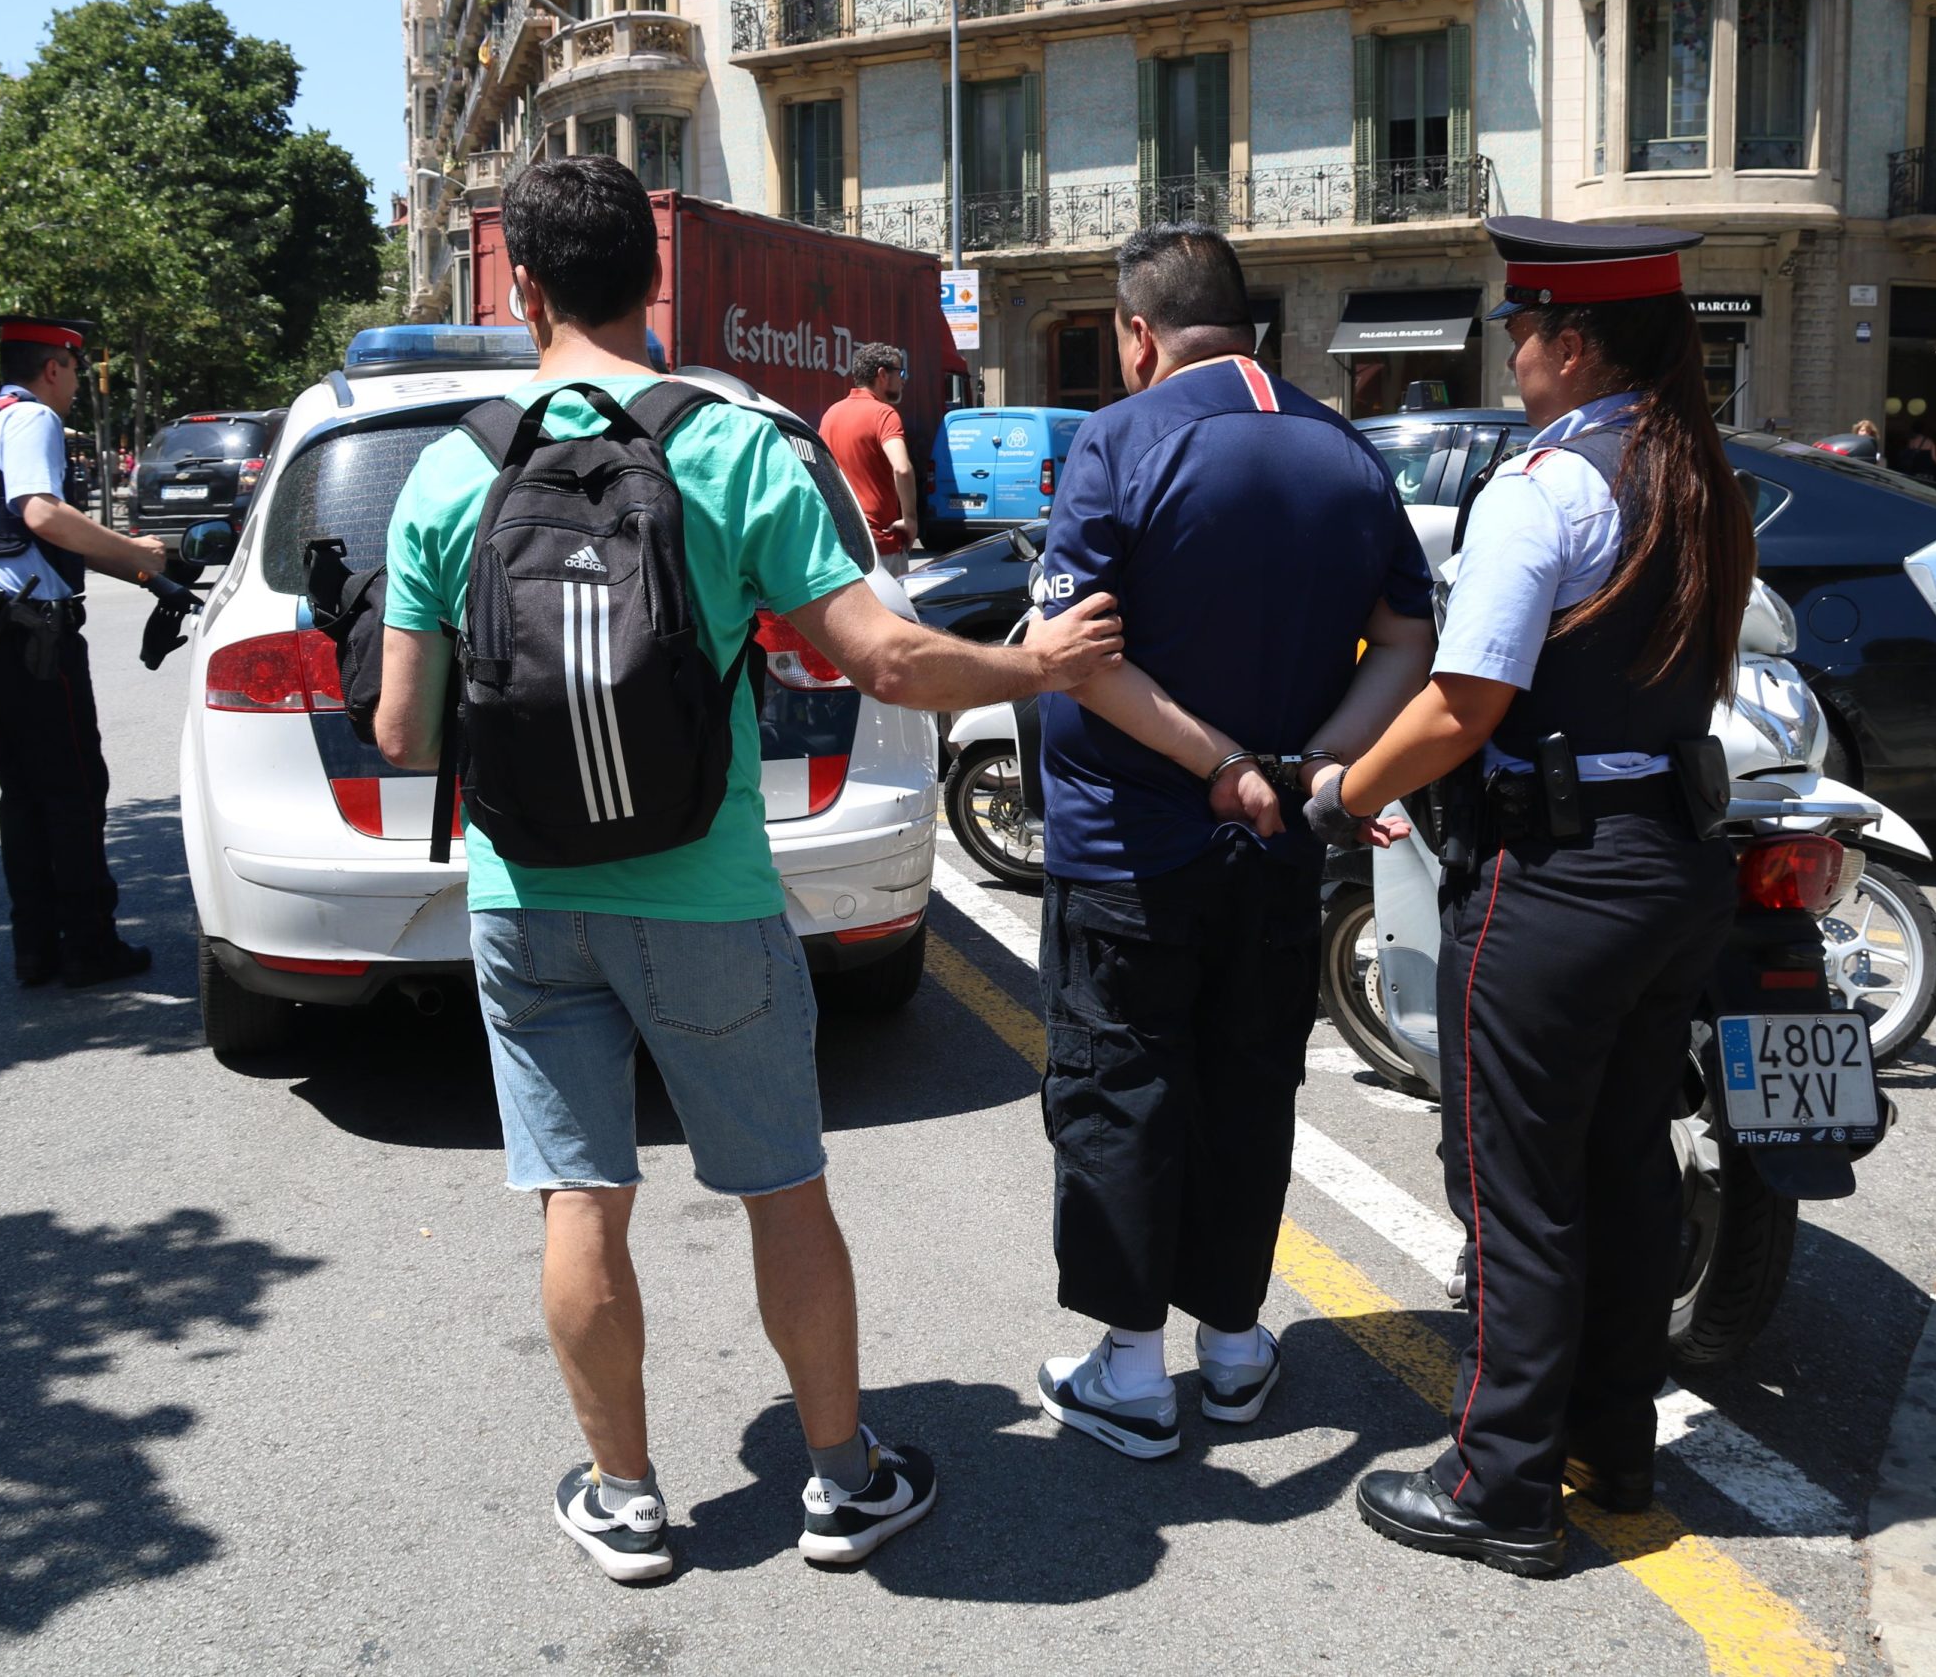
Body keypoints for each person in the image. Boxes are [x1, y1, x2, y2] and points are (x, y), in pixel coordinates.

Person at [372, 156, 1125, 1584]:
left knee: (579, 1194)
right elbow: (886, 656)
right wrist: (1040, 661)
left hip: (526, 899)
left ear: (520, 287)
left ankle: (629, 1496)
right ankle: (843, 1482)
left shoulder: (449, 469)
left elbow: (406, 729)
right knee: (782, 1185)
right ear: (653, 283)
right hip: (705, 889)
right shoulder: (727, 446)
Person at [1308, 217, 1756, 1577]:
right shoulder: (1701, 477)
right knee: (1623, 1167)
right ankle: (1611, 1441)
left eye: (1520, 328)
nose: (1512, 351)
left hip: (1560, 876)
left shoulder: (1545, 487)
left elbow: (1464, 698)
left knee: (1515, 1185)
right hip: (1674, 857)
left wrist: (1339, 786)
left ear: (1569, 342)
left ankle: (1498, 1479)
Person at [1023, 224, 1436, 1459]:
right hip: (1277, 848)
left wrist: (1220, 768)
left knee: (1120, 1086)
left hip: (1131, 844)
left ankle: (1133, 1373)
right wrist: (1311, 767)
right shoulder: (1344, 448)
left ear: (1138, 332)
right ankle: (1239, 1347)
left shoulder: (1120, 438)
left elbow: (1076, 657)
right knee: (1250, 1082)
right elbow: (1409, 642)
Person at [0, 316, 193, 990]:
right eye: (76, 370)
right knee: (73, 789)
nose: (78, 385)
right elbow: (42, 514)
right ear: (54, 367)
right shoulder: (33, 420)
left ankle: (36, 948)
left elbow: (30, 541)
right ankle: (89, 945)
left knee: (24, 793)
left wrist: (142, 571)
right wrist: (137, 550)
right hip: (26, 636)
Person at [819, 342, 916, 574]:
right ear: (882, 374)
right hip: (881, 546)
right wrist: (910, 519)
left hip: (842, 541)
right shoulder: (884, 414)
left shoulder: (831, 414)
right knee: (892, 611)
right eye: (900, 372)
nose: (903, 380)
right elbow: (902, 468)